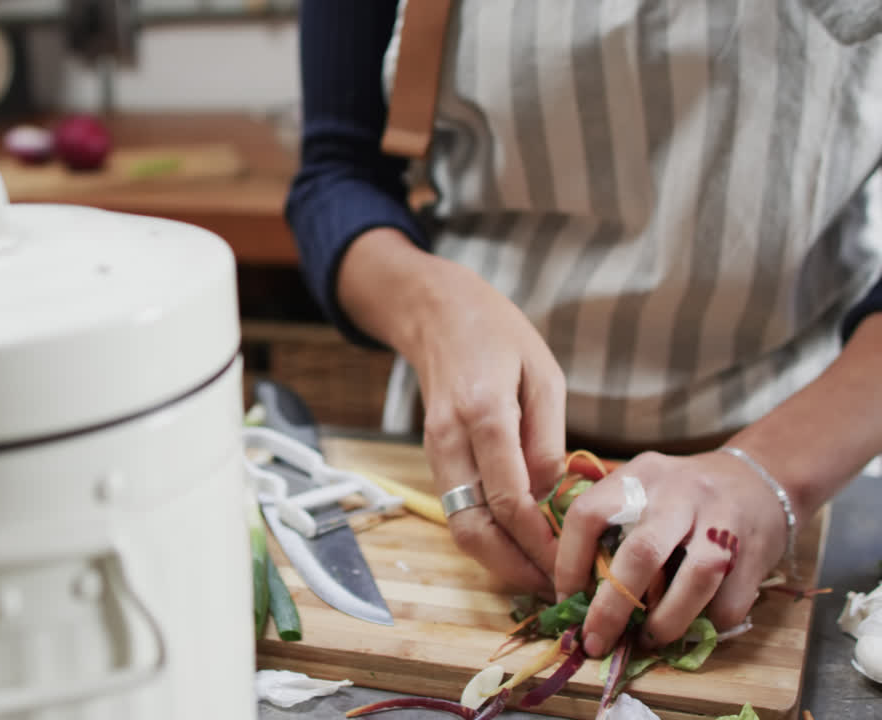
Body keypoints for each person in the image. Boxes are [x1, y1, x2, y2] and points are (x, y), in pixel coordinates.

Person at [284, 0, 882, 660]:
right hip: (472, 457)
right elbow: (338, 174)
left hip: (807, 446)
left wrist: (774, 475)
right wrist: (433, 310)